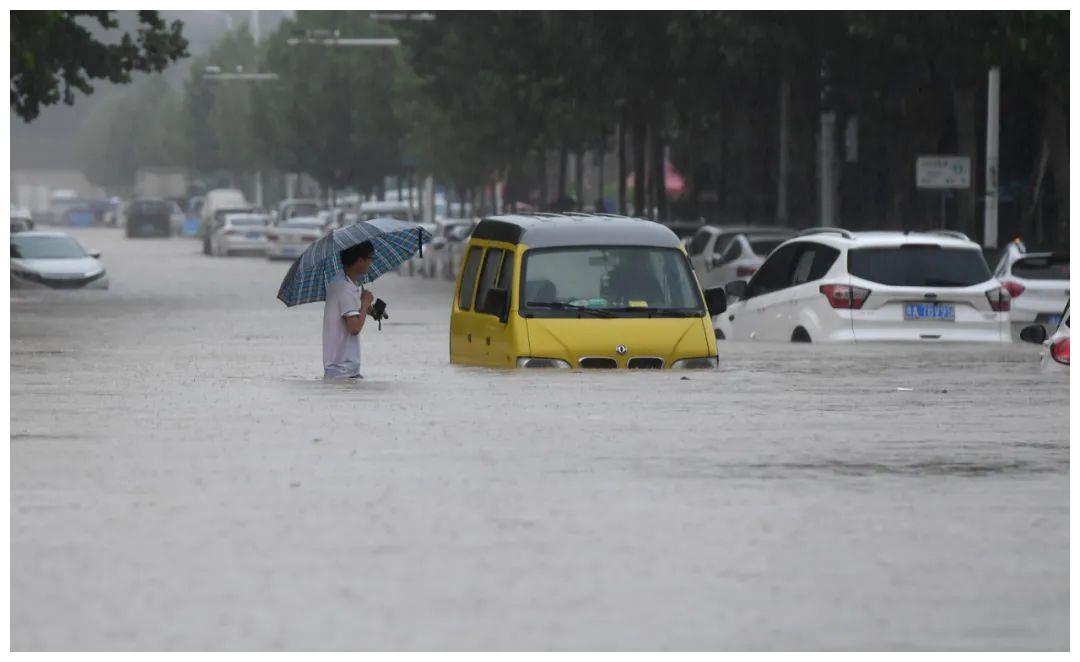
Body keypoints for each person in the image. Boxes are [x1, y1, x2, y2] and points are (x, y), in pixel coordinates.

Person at [323, 241, 375, 379]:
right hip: (344, 370)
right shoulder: (346, 289)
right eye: (370, 258)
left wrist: (366, 309)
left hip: (336, 367)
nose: (371, 262)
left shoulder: (338, 281)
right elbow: (354, 328)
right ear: (360, 261)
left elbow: (346, 314)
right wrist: (364, 304)